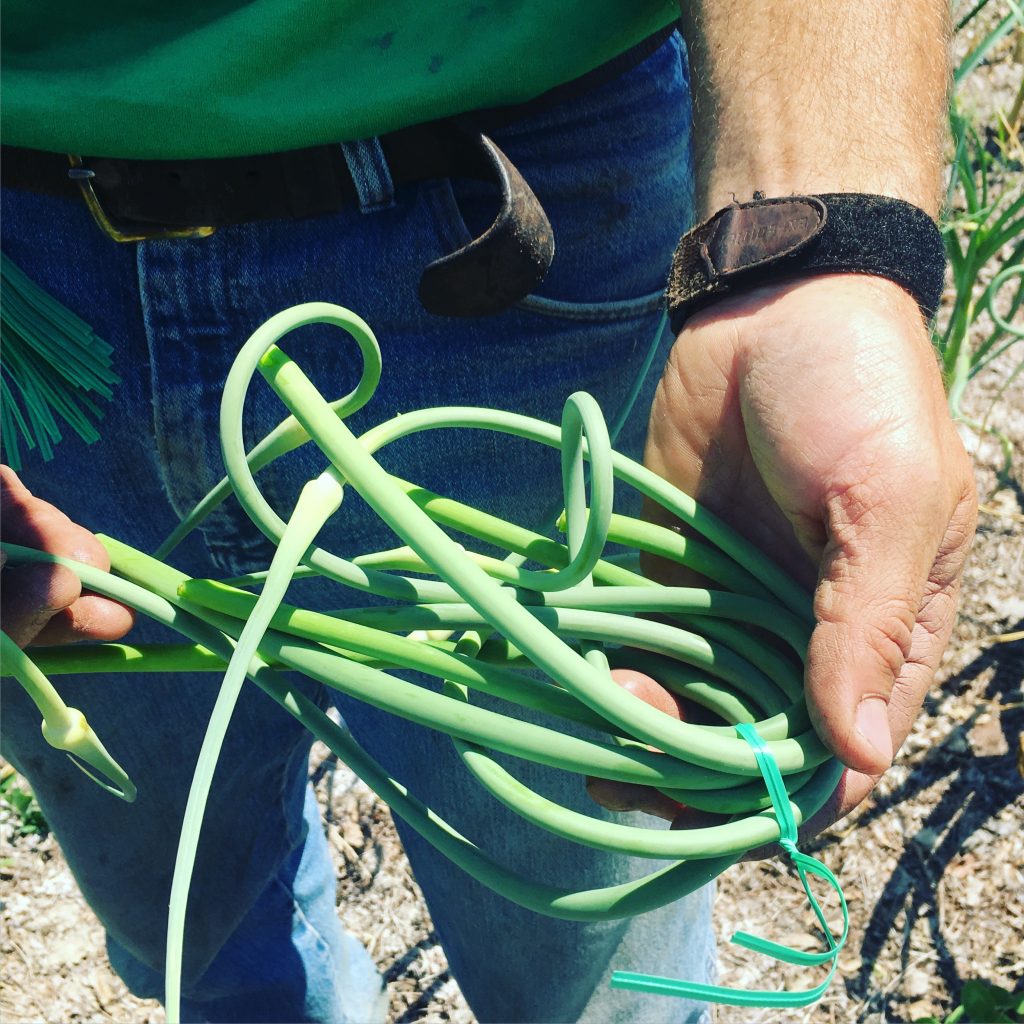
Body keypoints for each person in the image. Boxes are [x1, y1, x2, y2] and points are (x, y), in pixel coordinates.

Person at [0, 2, 977, 1022]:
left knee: (592, 958)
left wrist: (815, 259)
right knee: (190, 925)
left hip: (517, 216)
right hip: (31, 292)